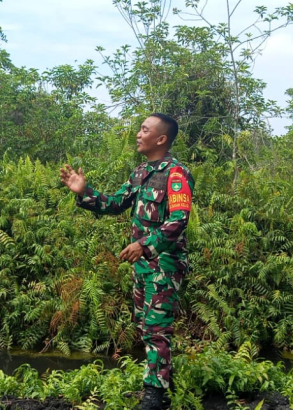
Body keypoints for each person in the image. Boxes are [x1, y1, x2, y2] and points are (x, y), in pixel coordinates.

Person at [60, 113, 193, 410]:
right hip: (143, 266)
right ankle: (161, 384)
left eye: (144, 130)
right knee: (146, 326)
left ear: (161, 139)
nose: (138, 134)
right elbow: (117, 203)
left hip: (165, 264)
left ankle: (154, 397)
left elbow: (179, 220)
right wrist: (85, 192)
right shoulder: (141, 171)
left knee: (156, 329)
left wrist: (145, 246)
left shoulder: (176, 174)